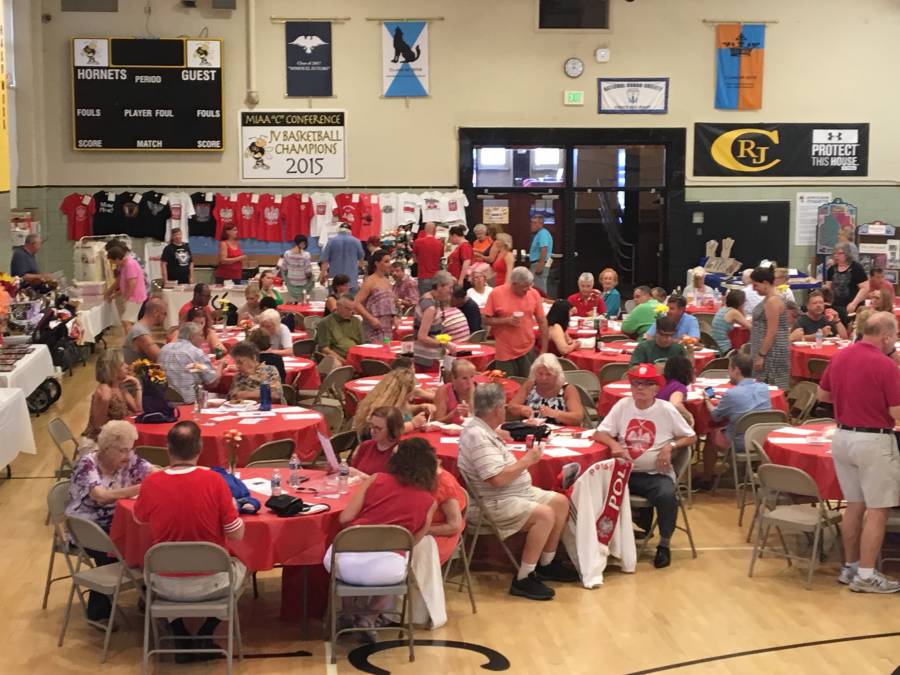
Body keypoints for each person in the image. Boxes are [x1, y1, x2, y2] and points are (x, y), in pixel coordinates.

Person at [133, 421, 246, 659]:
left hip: (163, 583)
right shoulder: (215, 481)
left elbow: (139, 518)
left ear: (167, 448)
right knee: (245, 565)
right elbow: (236, 534)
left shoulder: (151, 483)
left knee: (152, 566)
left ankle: (179, 633)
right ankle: (206, 632)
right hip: (213, 582)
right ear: (200, 448)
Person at [458, 383, 578, 600]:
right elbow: (497, 479)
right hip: (493, 502)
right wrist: (527, 461)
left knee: (560, 503)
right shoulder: (477, 436)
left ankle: (546, 565)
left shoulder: (483, 429)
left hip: (512, 494)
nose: (505, 410)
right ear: (497, 409)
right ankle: (524, 578)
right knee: (544, 515)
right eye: (503, 407)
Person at [816, 311, 900, 593]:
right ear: (885, 336)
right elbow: (896, 413)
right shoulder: (886, 365)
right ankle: (866, 574)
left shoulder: (840, 356)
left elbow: (823, 395)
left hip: (842, 436)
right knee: (878, 509)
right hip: (874, 440)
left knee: (854, 504)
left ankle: (850, 567)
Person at [325, 439, 437, 639]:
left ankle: (348, 612)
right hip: (388, 570)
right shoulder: (430, 502)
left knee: (344, 550)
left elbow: (345, 518)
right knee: (400, 561)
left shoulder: (376, 479)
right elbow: (412, 542)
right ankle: (369, 617)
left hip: (346, 564)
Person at [593, 364, 696, 568]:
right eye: (636, 383)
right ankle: (604, 541)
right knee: (596, 487)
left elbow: (691, 436)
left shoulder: (666, 409)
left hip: (655, 474)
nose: (640, 388)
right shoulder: (622, 405)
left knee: (667, 495)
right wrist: (614, 444)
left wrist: (670, 446)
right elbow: (599, 433)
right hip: (624, 472)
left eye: (647, 384)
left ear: (656, 389)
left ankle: (664, 545)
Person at [67, 420, 151, 621]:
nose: (128, 455)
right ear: (106, 449)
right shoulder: (87, 463)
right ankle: (98, 611)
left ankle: (146, 597)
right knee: (117, 549)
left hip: (116, 523)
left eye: (130, 449)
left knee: (147, 542)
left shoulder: (129, 459)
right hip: (87, 529)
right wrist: (136, 489)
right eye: (122, 450)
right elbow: (101, 496)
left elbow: (154, 473)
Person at [699, 353, 772, 486]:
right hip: (761, 439)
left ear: (736, 370)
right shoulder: (764, 388)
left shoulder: (732, 394)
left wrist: (707, 400)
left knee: (711, 433)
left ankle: (706, 477)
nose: (728, 373)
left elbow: (715, 416)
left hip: (739, 442)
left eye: (729, 369)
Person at [483, 267, 548, 377]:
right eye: (524, 287)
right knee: (506, 384)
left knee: (530, 382)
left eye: (529, 286)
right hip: (504, 352)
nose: (527, 290)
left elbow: (542, 322)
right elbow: (485, 320)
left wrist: (544, 350)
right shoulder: (496, 293)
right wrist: (506, 321)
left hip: (528, 349)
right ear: (514, 284)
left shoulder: (533, 294)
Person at [81, 350, 142, 446]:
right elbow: (98, 426)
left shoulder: (119, 386)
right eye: (122, 364)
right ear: (112, 369)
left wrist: (137, 385)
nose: (127, 366)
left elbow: (138, 410)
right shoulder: (104, 391)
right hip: (100, 444)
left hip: (116, 440)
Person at [351, 368, 434, 437]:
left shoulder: (395, 403)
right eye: (409, 395)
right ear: (400, 394)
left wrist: (420, 407)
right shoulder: (382, 409)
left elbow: (404, 410)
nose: (411, 398)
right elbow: (388, 431)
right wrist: (412, 424)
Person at [508, 353, 584, 426]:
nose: (544, 378)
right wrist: (521, 409)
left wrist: (555, 414)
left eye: (548, 374)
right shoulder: (530, 385)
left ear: (557, 375)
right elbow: (511, 407)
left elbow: (578, 418)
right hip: (532, 430)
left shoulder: (567, 389)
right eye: (540, 374)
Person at [159, 322, 224, 403]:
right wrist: (221, 365)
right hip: (189, 400)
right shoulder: (195, 352)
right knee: (224, 396)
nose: (203, 339)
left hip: (165, 400)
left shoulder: (164, 349)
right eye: (201, 335)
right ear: (193, 336)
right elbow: (213, 382)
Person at [748, 266, 790, 390]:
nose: (753, 289)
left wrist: (761, 355)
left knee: (768, 388)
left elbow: (772, 331)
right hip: (766, 350)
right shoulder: (770, 300)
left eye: (755, 285)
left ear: (765, 283)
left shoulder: (772, 302)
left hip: (771, 354)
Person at [413, 270, 456, 372]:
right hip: (427, 359)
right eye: (449, 287)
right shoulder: (430, 308)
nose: (451, 291)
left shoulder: (427, 297)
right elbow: (422, 337)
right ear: (440, 286)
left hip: (422, 355)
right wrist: (444, 344)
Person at [355, 250, 398, 344]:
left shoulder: (387, 281)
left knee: (386, 347)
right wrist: (371, 319)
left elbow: (391, 302)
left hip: (387, 326)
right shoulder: (369, 281)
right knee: (375, 349)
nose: (389, 264)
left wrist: (394, 316)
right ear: (377, 263)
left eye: (389, 261)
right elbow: (357, 303)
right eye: (386, 261)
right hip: (373, 325)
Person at [349, 406, 404, 478]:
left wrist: (362, 476)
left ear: (392, 430)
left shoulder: (399, 452)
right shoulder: (365, 445)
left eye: (378, 428)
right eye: (371, 426)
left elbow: (392, 483)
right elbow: (352, 473)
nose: (372, 431)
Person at [104, 244, 148, 332]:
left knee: (126, 321)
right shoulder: (124, 265)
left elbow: (132, 284)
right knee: (128, 321)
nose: (113, 264)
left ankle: (131, 340)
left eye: (113, 261)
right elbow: (123, 284)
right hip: (133, 296)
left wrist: (126, 298)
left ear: (117, 259)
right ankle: (132, 339)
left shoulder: (129, 265)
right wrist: (113, 295)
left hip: (135, 297)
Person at [825, 240, 868, 324]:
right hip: (836, 307)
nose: (836, 256)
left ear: (847, 254)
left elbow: (865, 288)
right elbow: (828, 288)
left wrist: (854, 303)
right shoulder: (831, 269)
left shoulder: (856, 268)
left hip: (852, 307)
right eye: (835, 253)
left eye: (840, 253)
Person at [315, 294, 363, 364]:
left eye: (352, 309)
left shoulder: (356, 321)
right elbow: (324, 349)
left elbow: (362, 344)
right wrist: (343, 361)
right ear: (338, 306)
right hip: (337, 358)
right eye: (347, 308)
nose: (351, 312)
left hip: (355, 357)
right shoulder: (326, 323)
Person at [319, 222, 365, 291]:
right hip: (351, 280)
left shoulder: (331, 241)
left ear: (339, 230)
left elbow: (325, 261)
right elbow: (361, 261)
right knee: (351, 297)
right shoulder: (356, 241)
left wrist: (322, 276)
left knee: (334, 297)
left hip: (335, 279)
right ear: (350, 231)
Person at [123, 296, 167, 364]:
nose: (166, 317)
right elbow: (160, 359)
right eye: (164, 313)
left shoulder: (139, 328)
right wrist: (173, 343)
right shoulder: (141, 333)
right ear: (156, 312)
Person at [434, 359, 478, 424]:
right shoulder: (444, 391)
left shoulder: (479, 390)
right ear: (453, 378)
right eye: (464, 378)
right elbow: (437, 422)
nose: (469, 382)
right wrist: (453, 415)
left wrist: (471, 398)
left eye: (472, 377)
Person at [711, 289, 752, 355]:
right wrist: (741, 308)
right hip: (724, 348)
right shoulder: (734, 312)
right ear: (741, 302)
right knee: (746, 354)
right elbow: (750, 327)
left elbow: (742, 323)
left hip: (714, 345)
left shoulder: (723, 309)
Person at [412, 222, 445, 297]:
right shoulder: (439, 244)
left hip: (423, 276)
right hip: (436, 277)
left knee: (424, 299)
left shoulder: (418, 242)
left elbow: (414, 259)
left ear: (425, 230)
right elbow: (440, 259)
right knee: (436, 299)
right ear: (434, 230)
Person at [280, 234, 315, 302]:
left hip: (290, 284)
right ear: (303, 243)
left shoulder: (287, 253)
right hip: (303, 284)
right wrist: (312, 276)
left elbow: (284, 268)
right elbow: (307, 272)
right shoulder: (306, 255)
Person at [658, 355, 693, 421]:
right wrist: (689, 416)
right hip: (663, 419)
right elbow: (676, 404)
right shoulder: (679, 387)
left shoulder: (661, 382)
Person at [528, 215, 553, 294]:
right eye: (532, 222)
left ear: (540, 223)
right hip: (536, 264)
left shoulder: (543, 233)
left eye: (534, 223)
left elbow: (544, 249)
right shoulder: (539, 234)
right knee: (535, 288)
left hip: (539, 264)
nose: (532, 224)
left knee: (539, 289)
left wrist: (540, 266)